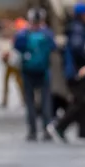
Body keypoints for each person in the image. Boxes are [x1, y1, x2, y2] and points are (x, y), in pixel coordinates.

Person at [48, 3, 85, 141]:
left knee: (83, 100)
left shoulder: (75, 27)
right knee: (80, 101)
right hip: (76, 71)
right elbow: (77, 48)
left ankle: (81, 130)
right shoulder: (78, 29)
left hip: (73, 70)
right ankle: (59, 126)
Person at [13, 8, 57, 141]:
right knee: (45, 102)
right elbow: (53, 47)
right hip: (44, 72)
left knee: (30, 102)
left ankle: (32, 131)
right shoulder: (47, 34)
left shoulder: (24, 34)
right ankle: (46, 129)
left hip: (27, 71)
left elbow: (17, 46)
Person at [0, 18, 27, 108]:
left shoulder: (20, 35)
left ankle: (23, 99)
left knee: (18, 81)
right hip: (11, 62)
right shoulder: (17, 35)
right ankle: (6, 100)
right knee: (9, 81)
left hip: (15, 62)